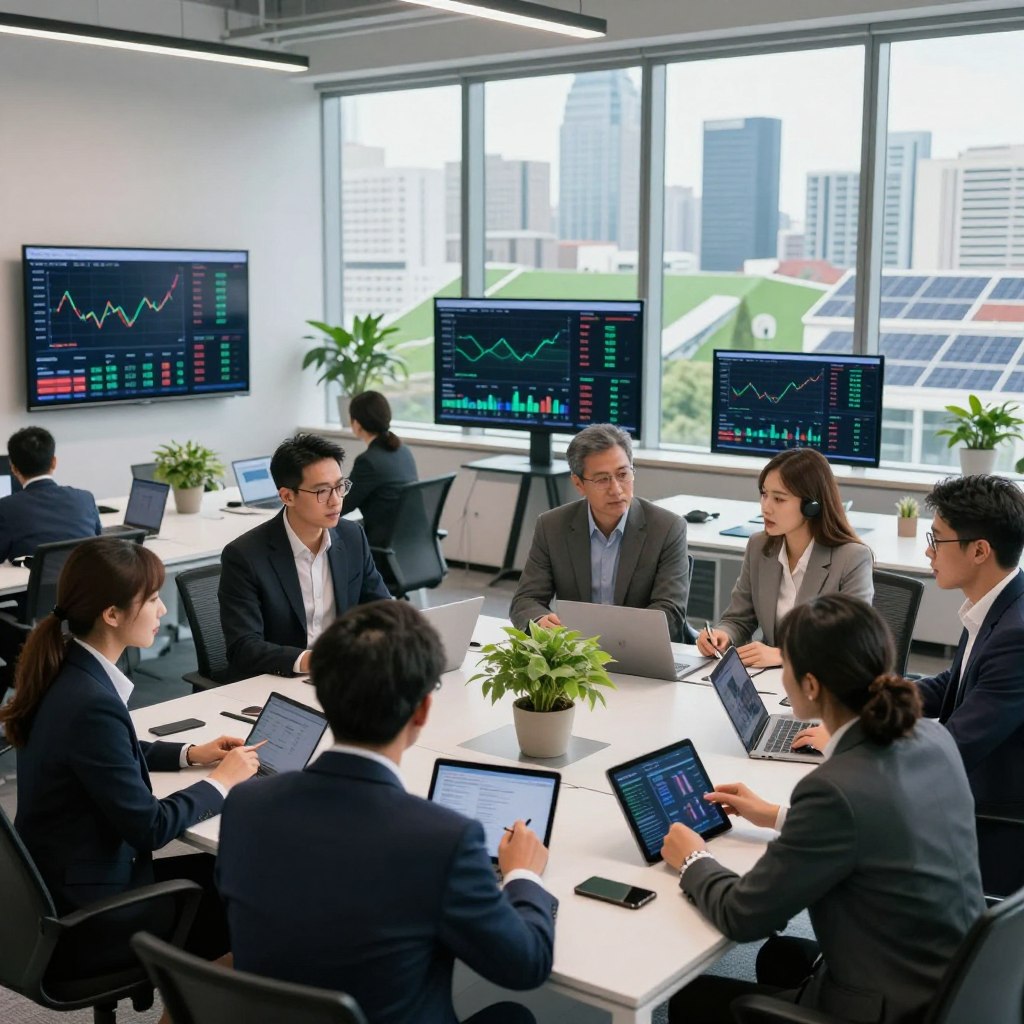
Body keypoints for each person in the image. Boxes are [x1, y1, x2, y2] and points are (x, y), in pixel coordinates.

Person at [217, 600, 556, 1024]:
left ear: (322, 693)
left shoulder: (247, 805)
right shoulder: (444, 839)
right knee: (514, 1016)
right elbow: (526, 966)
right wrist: (524, 875)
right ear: (422, 711)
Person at [662, 594, 983, 1024]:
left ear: (811, 685)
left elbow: (743, 916)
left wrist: (694, 859)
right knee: (781, 957)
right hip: (957, 985)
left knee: (691, 999)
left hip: (893, 1010)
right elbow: (882, 819)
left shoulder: (834, 789)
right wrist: (775, 815)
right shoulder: (932, 737)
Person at [0, 537, 261, 977]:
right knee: (252, 900)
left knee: (230, 874)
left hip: (58, 887)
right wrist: (221, 782)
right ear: (112, 614)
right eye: (154, 599)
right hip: (92, 917)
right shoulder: (90, 701)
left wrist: (190, 753)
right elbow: (150, 827)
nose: (162, 611)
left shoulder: (65, 668)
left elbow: (107, 752)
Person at [797, 473, 1024, 895]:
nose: (927, 550)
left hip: (987, 820)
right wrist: (855, 702)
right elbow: (949, 688)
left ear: (979, 551)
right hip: (969, 795)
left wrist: (848, 735)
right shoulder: (995, 606)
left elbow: (953, 745)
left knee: (833, 825)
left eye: (938, 540)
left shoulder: (1016, 634)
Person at [218, 433, 391, 680]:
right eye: (322, 491)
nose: (336, 501)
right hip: (278, 680)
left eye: (340, 487)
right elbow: (243, 648)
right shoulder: (245, 556)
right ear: (287, 496)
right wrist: (317, 660)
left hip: (344, 676)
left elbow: (383, 609)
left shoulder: (352, 537)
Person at [509, 423, 690, 642]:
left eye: (623, 474)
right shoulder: (552, 526)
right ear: (579, 484)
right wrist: (540, 620)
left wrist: (614, 638)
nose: (616, 489)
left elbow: (669, 612)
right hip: (576, 653)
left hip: (640, 652)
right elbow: (526, 600)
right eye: (603, 479)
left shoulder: (667, 528)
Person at [698, 448, 872, 668]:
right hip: (768, 681)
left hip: (824, 685)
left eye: (779, 499)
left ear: (811, 506)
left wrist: (784, 656)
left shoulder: (852, 558)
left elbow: (851, 644)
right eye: (764, 494)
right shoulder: (759, 547)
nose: (765, 507)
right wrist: (723, 635)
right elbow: (738, 619)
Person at [0, 426, 101, 564]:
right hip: (83, 582)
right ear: (54, 462)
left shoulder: (6, 508)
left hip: (32, 583)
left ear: (14, 468)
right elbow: (98, 541)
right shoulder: (85, 498)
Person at [343, 390, 418, 549]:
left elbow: (343, 505)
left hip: (383, 545)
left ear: (356, 424)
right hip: (407, 543)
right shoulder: (403, 451)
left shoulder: (368, 461)